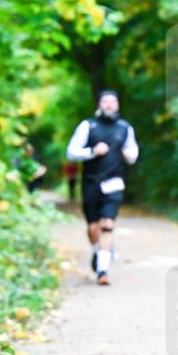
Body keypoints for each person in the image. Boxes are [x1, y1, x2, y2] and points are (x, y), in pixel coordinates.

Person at [66, 90, 139, 286]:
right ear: (99, 104)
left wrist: (129, 155)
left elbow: (133, 151)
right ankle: (98, 251)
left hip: (114, 183)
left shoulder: (125, 128)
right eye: (105, 101)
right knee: (93, 228)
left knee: (107, 224)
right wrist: (91, 151)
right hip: (91, 183)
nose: (109, 105)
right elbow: (71, 152)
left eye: (112, 102)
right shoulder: (88, 126)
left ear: (117, 105)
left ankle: (102, 271)